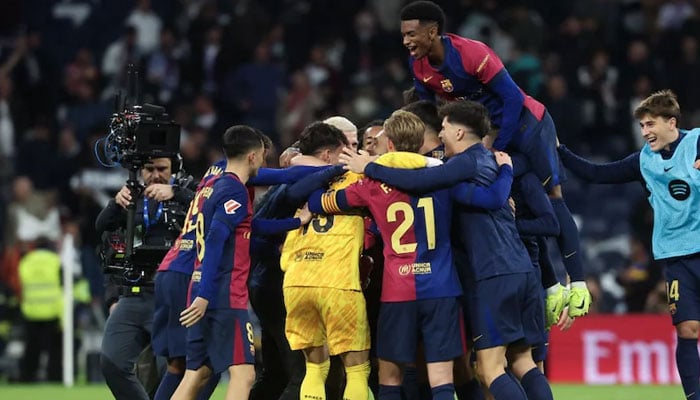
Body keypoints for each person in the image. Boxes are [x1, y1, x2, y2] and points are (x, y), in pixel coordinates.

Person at [341, 101, 553, 400]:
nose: (440, 135)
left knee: (489, 369)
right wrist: (506, 173)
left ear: (459, 131)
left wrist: (371, 168)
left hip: (490, 274)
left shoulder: (462, 165)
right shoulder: (489, 162)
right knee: (523, 361)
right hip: (521, 269)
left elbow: (421, 180)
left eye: (444, 127)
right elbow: (492, 197)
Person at [298, 110, 514, 400]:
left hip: (397, 289)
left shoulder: (369, 184)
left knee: (390, 378)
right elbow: (483, 200)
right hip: (441, 289)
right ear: (421, 140)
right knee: (441, 380)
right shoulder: (443, 175)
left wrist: (312, 197)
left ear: (389, 144)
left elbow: (324, 201)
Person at [398, 0, 590, 318]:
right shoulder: (418, 66)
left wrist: (493, 146)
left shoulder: (471, 53)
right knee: (515, 204)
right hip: (489, 133)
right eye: (403, 35)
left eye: (411, 34)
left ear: (432, 32)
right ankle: (552, 287)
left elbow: (513, 98)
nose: (406, 41)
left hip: (527, 124)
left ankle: (579, 283)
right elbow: (428, 113)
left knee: (552, 196)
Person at [556, 89, 700, 399]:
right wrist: (560, 151)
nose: (645, 132)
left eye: (650, 125)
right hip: (676, 258)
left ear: (671, 122)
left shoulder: (697, 143)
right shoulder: (644, 161)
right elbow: (596, 174)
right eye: (642, 126)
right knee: (687, 330)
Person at [173, 126, 264, 400]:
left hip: (202, 284)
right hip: (222, 293)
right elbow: (214, 240)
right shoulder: (234, 191)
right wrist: (205, 297)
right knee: (244, 375)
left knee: (197, 373)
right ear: (252, 156)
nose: (262, 161)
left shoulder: (212, 187)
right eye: (261, 155)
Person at [96, 156, 194, 400]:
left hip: (175, 297)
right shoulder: (129, 199)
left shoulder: (189, 195)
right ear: (140, 170)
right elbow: (107, 239)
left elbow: (212, 211)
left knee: (170, 371)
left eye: (162, 169)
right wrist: (115, 204)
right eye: (149, 169)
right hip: (135, 293)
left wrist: (177, 193)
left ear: (174, 170)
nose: (156, 175)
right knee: (112, 362)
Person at [17, 237, 63, 382]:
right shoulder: (56, 261)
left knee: (31, 348)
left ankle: (27, 377)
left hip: (31, 311)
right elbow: (63, 285)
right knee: (54, 349)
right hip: (52, 311)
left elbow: (21, 283)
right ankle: (54, 376)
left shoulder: (26, 261)